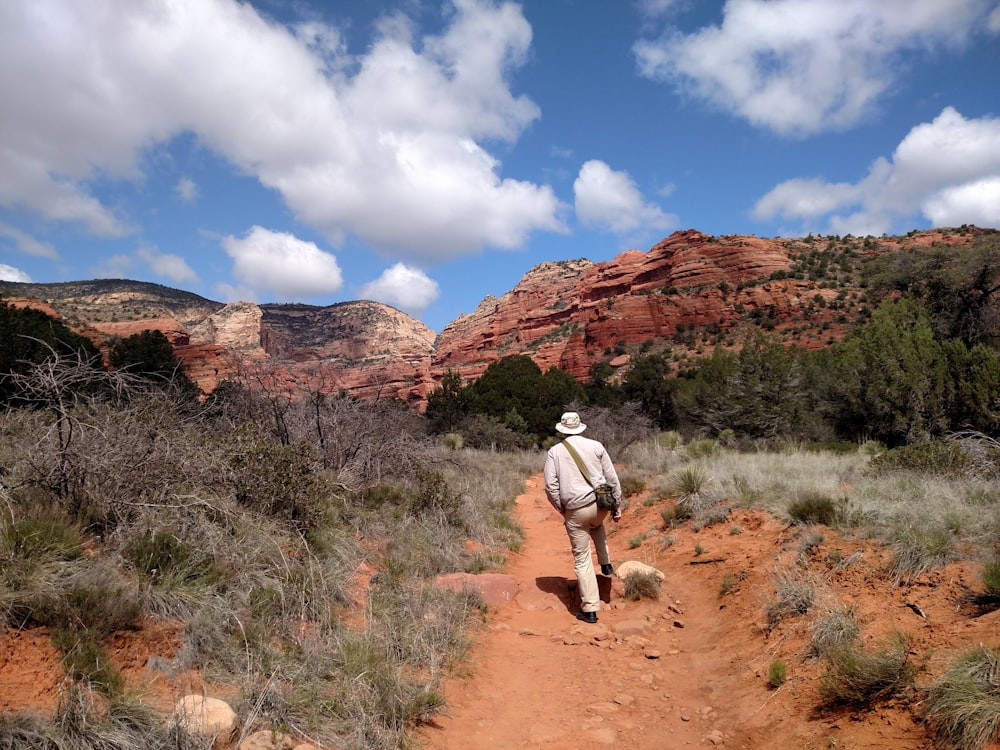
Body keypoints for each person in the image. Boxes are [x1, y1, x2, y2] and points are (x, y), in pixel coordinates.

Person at [543, 411, 622, 624]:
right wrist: (617, 505)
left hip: (575, 509)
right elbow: (612, 478)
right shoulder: (596, 446)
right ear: (580, 427)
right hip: (601, 505)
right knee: (596, 526)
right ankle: (606, 564)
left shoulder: (555, 452)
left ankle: (590, 609)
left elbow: (550, 487)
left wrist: (562, 508)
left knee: (582, 558)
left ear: (561, 430)